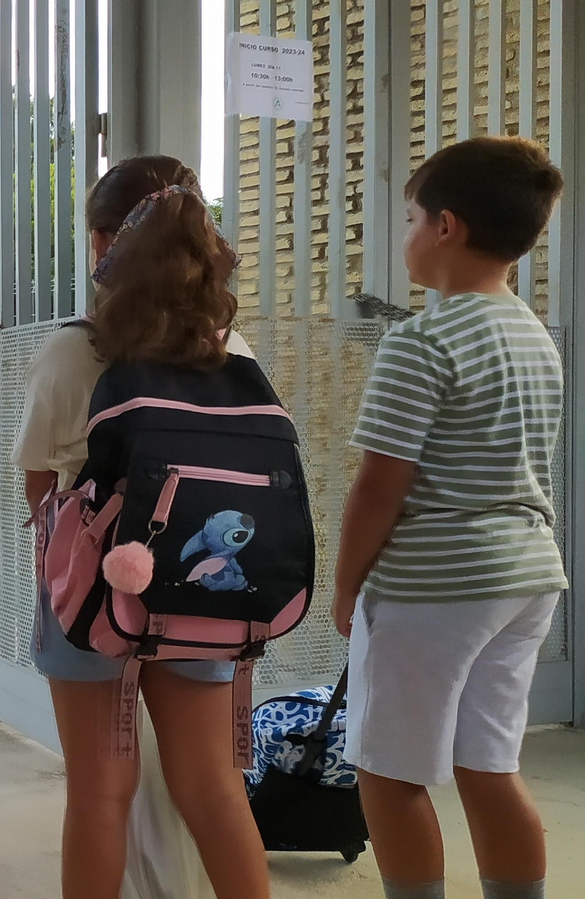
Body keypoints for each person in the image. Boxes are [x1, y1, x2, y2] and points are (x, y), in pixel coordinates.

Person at [14, 155, 269, 899]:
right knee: (215, 793)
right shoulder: (233, 352)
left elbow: (39, 490)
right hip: (209, 593)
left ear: (101, 246)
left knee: (99, 793)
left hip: (92, 597)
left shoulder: (72, 352)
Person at [332, 136, 567, 899]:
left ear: (446, 227)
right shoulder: (535, 337)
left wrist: (344, 586)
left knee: (389, 770)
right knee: (490, 764)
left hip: (433, 585)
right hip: (526, 577)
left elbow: (379, 485)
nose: (403, 234)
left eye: (409, 216)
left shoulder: (421, 340)